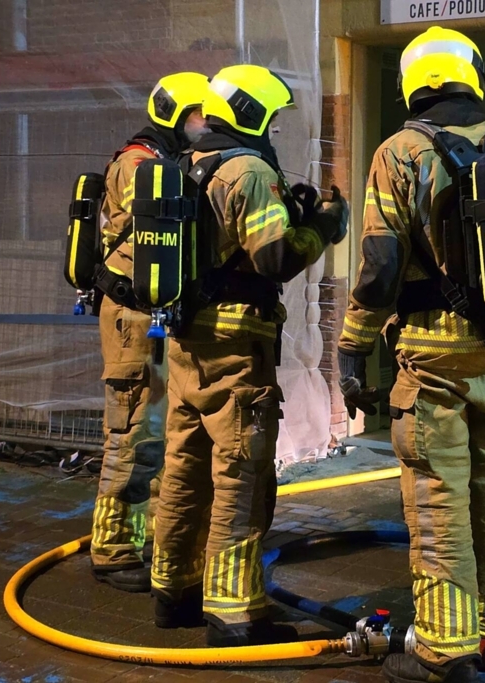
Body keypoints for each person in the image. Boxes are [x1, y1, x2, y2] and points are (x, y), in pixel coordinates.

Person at [337, 26, 485, 683]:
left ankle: (442, 647)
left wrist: (354, 349)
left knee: (440, 503)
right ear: (474, 74)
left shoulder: (399, 152)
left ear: (415, 81)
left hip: (432, 354)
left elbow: (380, 267)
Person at [149, 64, 349, 646]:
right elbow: (275, 258)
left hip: (187, 343)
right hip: (238, 348)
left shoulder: (186, 166)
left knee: (183, 468)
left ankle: (173, 590)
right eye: (272, 118)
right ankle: (235, 613)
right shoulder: (248, 171)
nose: (274, 130)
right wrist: (324, 228)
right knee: (242, 474)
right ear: (252, 113)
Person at [90, 72, 212, 593]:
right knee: (134, 430)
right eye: (199, 115)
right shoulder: (139, 165)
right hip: (133, 320)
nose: (206, 124)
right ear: (177, 115)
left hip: (153, 316)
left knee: (160, 436)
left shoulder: (163, 162)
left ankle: (153, 542)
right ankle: (113, 549)